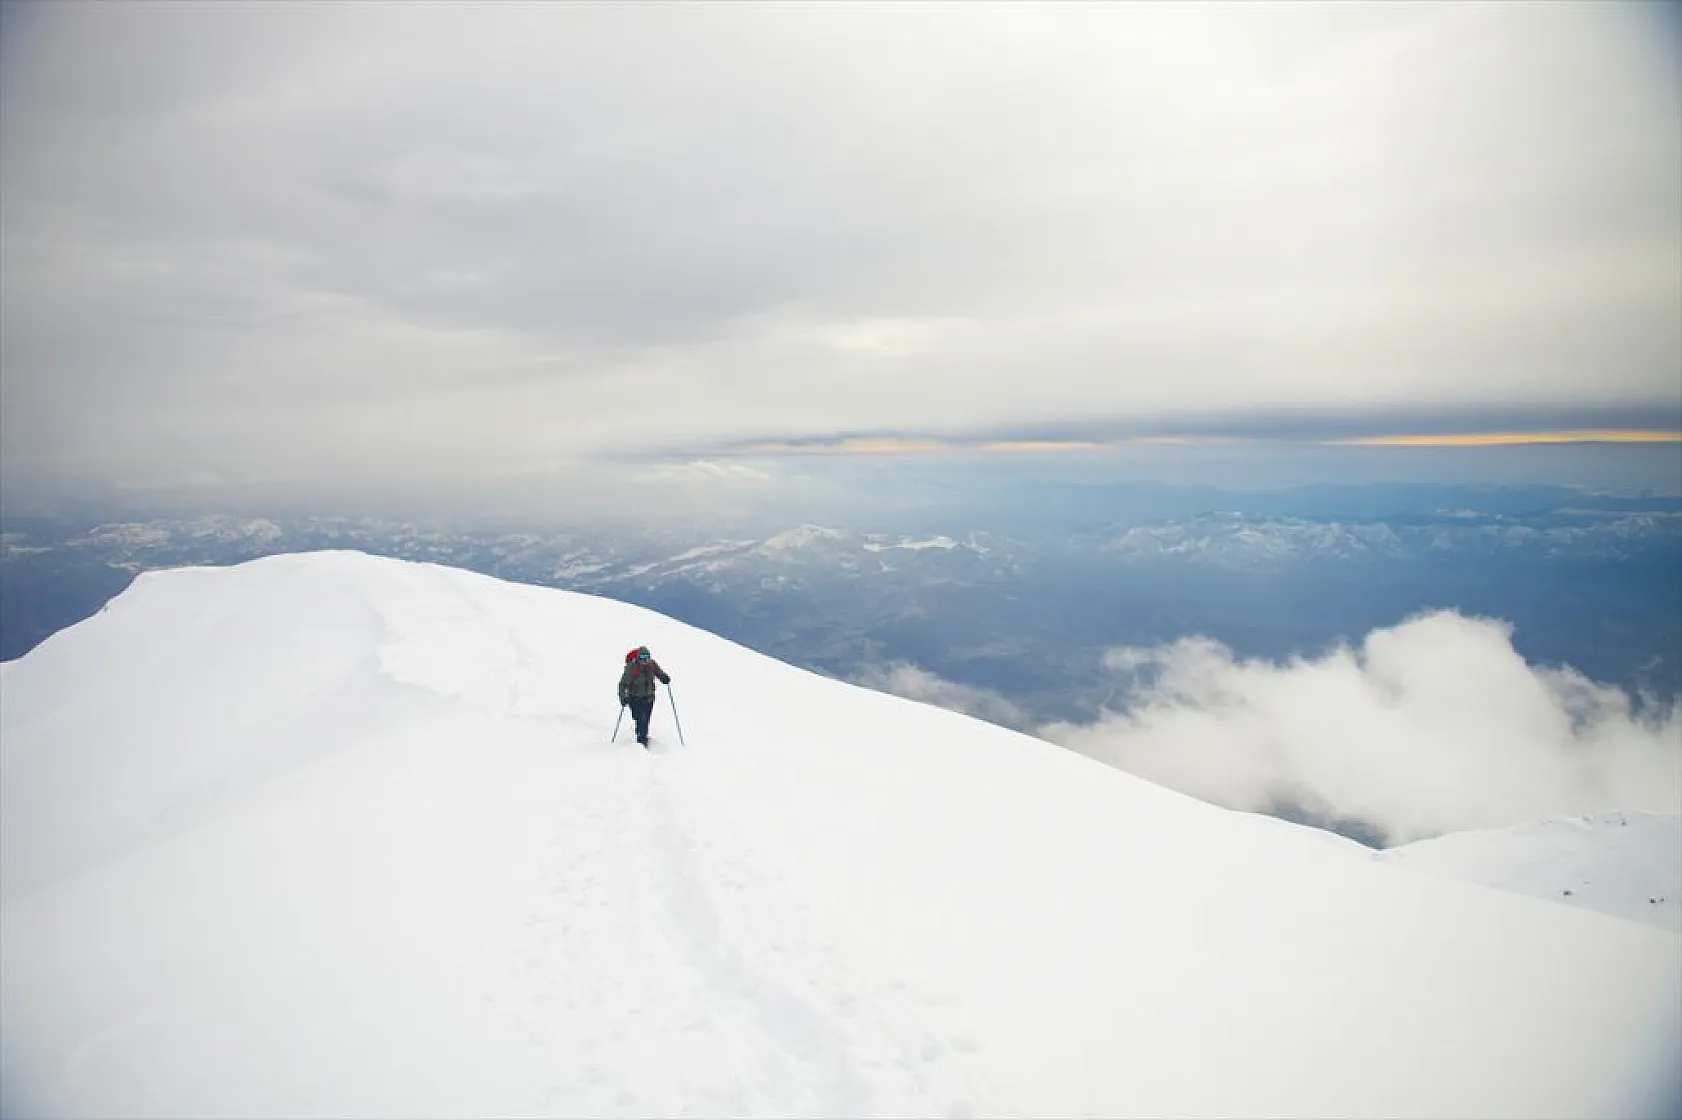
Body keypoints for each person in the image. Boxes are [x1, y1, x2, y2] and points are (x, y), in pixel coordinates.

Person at [617, 646, 671, 747]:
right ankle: (641, 740)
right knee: (640, 718)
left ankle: (642, 736)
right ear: (638, 657)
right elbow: (623, 684)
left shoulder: (652, 664)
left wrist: (664, 678)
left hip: (649, 698)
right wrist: (623, 697)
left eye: (647, 657)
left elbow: (659, 672)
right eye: (642, 657)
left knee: (645, 720)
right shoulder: (632, 667)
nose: (645, 660)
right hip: (635, 698)